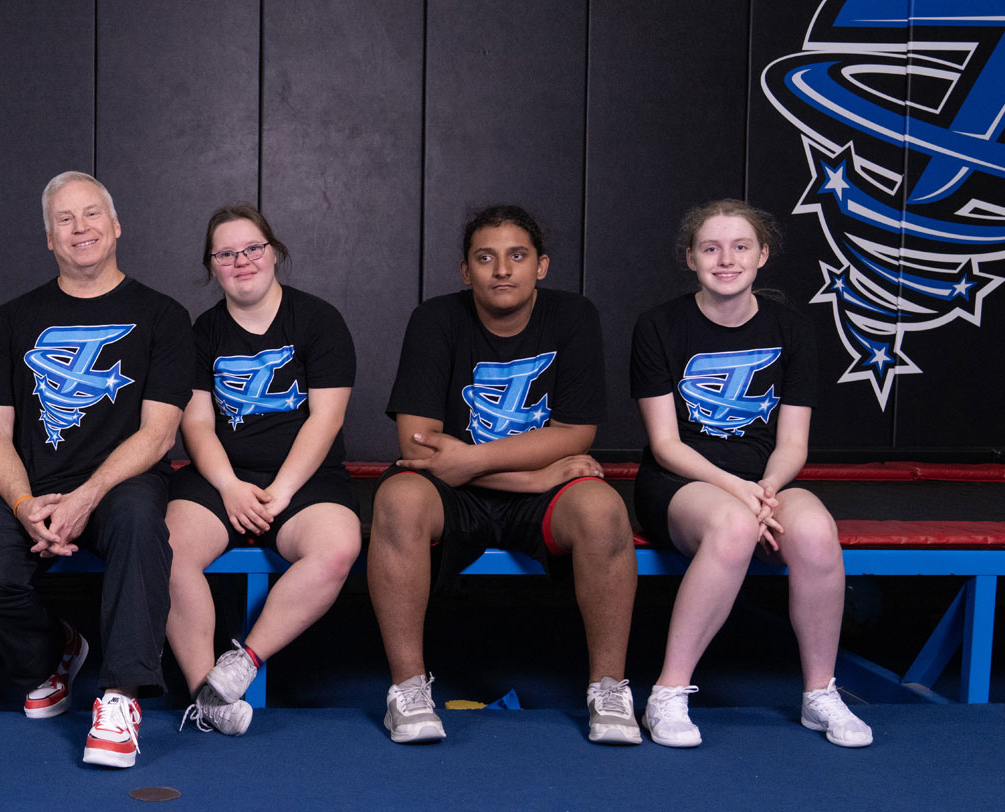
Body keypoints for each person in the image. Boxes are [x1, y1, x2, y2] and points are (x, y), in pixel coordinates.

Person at [372, 204, 641, 745]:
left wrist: (473, 458)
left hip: (531, 487)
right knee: (399, 499)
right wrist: (531, 477)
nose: (502, 270)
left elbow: (574, 434)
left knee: (603, 508)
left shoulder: (573, 317)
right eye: (485, 257)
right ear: (465, 270)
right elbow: (419, 447)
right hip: (463, 489)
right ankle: (408, 688)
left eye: (517, 256)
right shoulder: (436, 319)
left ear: (541, 265)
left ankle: (609, 688)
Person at [0, 171, 190, 768]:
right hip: (32, 485)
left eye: (91, 215)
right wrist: (21, 504)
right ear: (49, 239)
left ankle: (120, 697)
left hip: (121, 483)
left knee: (141, 525)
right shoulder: (13, 318)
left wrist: (88, 494)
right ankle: (53, 652)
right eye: (65, 219)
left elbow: (159, 431)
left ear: (115, 227)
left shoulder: (162, 315)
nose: (80, 228)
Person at [632, 199, 872, 748]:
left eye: (740, 246)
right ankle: (668, 692)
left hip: (764, 481)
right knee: (734, 527)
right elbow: (665, 444)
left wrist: (763, 489)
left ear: (762, 255)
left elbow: (792, 444)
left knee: (814, 532)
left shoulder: (792, 328)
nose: (726, 259)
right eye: (710, 248)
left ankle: (820, 694)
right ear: (690, 258)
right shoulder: (659, 327)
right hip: (681, 482)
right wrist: (738, 493)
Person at [167, 203, 359, 736]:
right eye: (226, 254)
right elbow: (198, 425)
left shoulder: (318, 320)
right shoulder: (202, 332)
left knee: (338, 548)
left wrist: (280, 492)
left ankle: (243, 662)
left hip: (305, 477)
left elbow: (325, 419)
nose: (241, 261)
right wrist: (229, 486)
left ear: (273, 253)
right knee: (165, 550)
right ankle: (204, 694)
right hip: (222, 475)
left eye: (252, 248)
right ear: (212, 266)